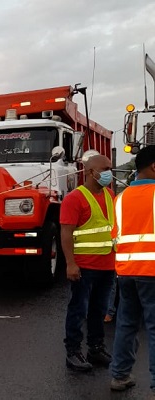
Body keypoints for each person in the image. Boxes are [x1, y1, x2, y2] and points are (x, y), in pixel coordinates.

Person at [60, 154, 116, 371]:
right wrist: (70, 264)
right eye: (106, 168)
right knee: (78, 310)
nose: (110, 172)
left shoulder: (110, 195)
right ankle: (73, 352)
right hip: (84, 267)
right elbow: (66, 233)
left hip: (107, 266)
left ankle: (95, 348)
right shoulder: (74, 198)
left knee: (98, 310)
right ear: (91, 172)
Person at [110, 145, 155, 394]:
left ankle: (120, 376)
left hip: (126, 271)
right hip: (153, 270)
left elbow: (115, 236)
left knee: (126, 324)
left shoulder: (121, 198)